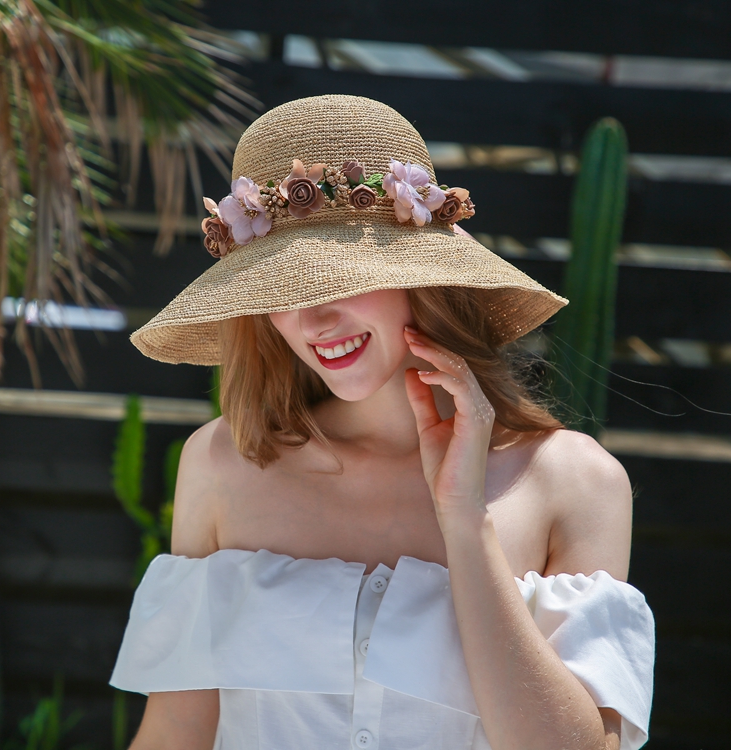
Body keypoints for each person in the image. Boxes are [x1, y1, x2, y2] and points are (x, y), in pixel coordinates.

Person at [110, 94, 654, 750]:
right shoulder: (224, 462)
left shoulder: (573, 481)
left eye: (343, 280)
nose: (312, 322)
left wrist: (465, 523)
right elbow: (176, 733)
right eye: (282, 292)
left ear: (419, 277)